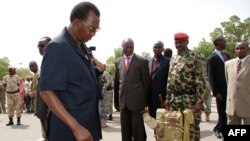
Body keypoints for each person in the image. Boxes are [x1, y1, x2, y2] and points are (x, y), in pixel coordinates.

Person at [40, 2, 102, 141]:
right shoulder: (58, 47)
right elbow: (46, 92)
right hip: (69, 131)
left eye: (96, 30)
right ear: (76, 22)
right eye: (91, 29)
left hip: (87, 126)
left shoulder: (82, 46)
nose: (93, 34)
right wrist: (76, 127)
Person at [165, 32, 206, 141]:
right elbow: (170, 80)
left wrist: (200, 101)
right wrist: (168, 98)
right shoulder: (173, 58)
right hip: (175, 101)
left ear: (187, 42)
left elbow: (200, 80)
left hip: (190, 100)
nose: (178, 45)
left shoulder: (196, 56)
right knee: (176, 130)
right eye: (176, 42)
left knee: (191, 130)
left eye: (181, 42)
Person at [114, 38, 150, 141]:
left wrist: (145, 101)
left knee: (138, 129)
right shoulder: (118, 62)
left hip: (137, 103)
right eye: (126, 47)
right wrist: (117, 101)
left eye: (131, 47)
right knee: (125, 129)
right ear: (122, 47)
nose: (129, 49)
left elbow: (146, 83)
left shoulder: (142, 61)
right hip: (123, 103)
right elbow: (117, 83)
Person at [206, 35, 230, 139]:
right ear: (218, 43)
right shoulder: (211, 59)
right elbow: (211, 77)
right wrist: (216, 93)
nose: (226, 43)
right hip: (220, 91)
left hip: (230, 89)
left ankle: (217, 127)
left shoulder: (227, 55)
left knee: (228, 112)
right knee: (222, 112)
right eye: (224, 41)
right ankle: (223, 132)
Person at [225, 41, 250, 125]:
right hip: (232, 106)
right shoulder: (228, 64)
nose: (239, 50)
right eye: (237, 48)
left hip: (248, 105)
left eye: (242, 48)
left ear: (248, 49)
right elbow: (228, 82)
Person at [148, 41, 170, 118]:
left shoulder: (167, 62)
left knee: (161, 121)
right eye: (155, 47)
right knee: (153, 121)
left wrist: (167, 98)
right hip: (150, 98)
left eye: (159, 47)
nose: (157, 49)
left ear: (163, 49)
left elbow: (169, 81)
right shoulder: (148, 61)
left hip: (161, 98)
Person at [35, 36, 51, 141]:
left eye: (42, 45)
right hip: (43, 108)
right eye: (38, 46)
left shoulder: (54, 61)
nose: (40, 48)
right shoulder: (45, 61)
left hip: (50, 108)